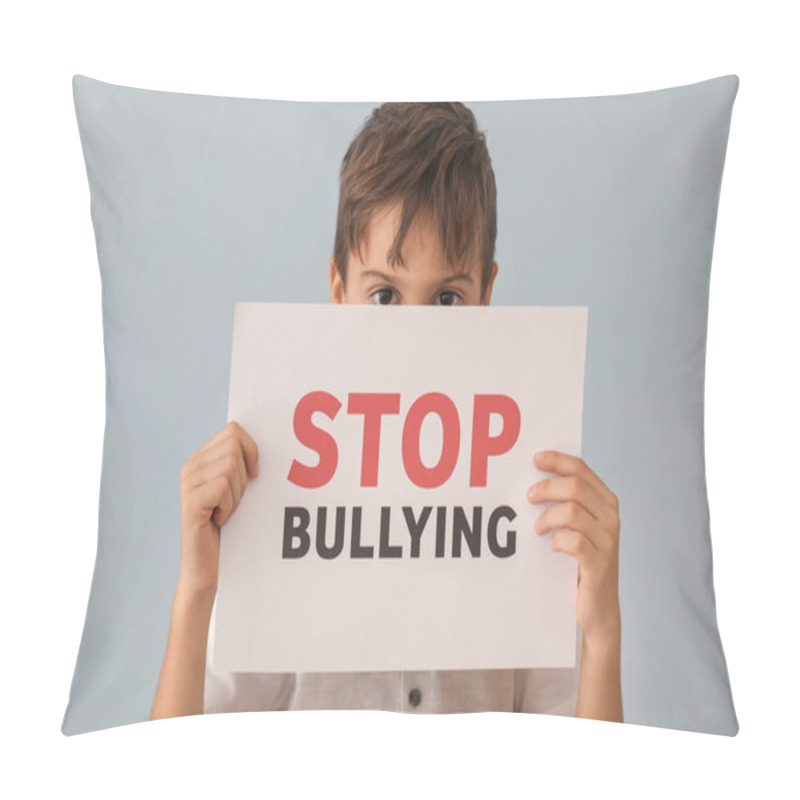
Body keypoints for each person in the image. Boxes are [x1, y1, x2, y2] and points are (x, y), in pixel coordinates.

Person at [150, 102, 623, 723]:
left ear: (488, 298)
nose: (416, 337)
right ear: (338, 290)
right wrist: (196, 592)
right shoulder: (274, 495)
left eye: (448, 298)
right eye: (384, 295)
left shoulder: (533, 506)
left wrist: (604, 635)